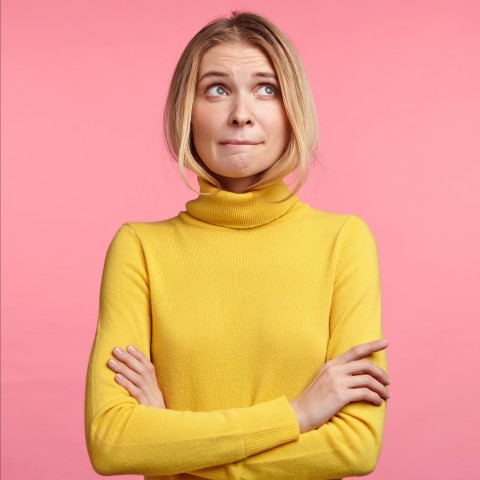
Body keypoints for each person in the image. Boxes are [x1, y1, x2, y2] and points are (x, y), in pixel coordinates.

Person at [85, 11, 390, 480]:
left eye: (266, 88)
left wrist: (172, 441)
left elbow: (355, 448)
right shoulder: (139, 249)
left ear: (293, 111)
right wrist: (298, 415)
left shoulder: (343, 242)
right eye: (217, 89)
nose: (241, 113)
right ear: (186, 111)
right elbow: (112, 443)